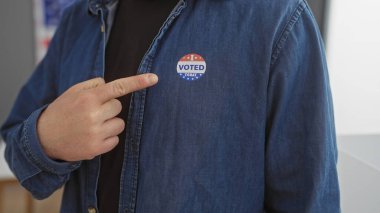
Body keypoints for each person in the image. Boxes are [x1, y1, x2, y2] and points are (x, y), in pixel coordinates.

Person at [1, 0, 340, 212]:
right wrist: (48, 138)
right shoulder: (81, 18)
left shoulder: (278, 17)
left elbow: (309, 201)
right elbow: (18, 154)